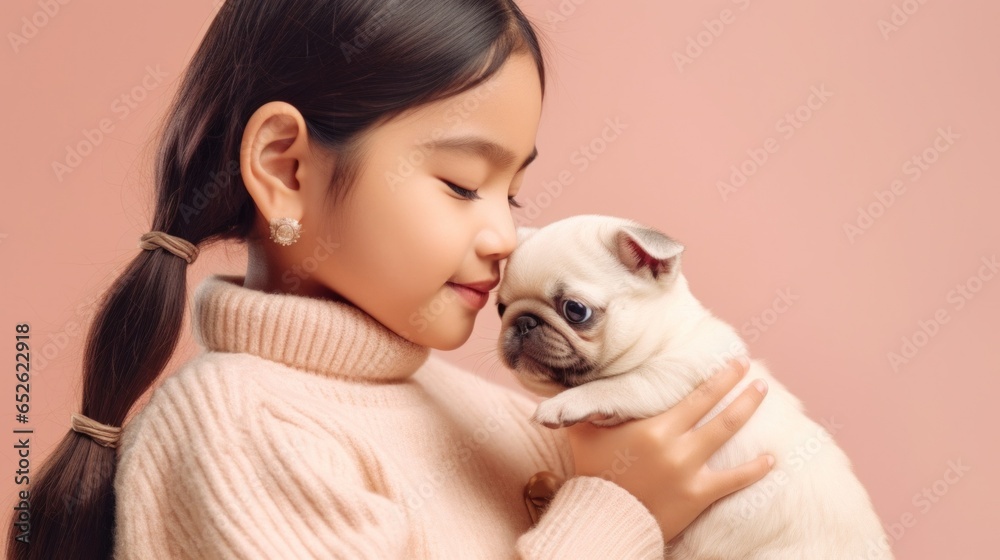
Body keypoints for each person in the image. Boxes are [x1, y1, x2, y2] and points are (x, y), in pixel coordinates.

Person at [7, 1, 774, 558]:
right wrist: (612, 514)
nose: (506, 236)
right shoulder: (240, 430)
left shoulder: (490, 417)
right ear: (287, 167)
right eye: (462, 184)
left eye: (513, 194)